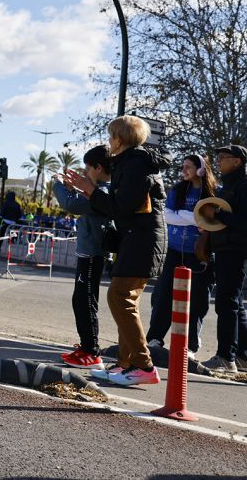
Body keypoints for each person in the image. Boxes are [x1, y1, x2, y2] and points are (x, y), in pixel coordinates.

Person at [65, 115, 169, 387]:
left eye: (112, 136)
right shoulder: (132, 162)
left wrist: (90, 191)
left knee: (119, 296)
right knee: (126, 299)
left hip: (142, 240)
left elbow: (121, 206)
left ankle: (143, 365)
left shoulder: (135, 164)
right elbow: (121, 205)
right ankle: (126, 363)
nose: (109, 141)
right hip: (136, 239)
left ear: (121, 138)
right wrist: (88, 191)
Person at [146, 154, 217, 361]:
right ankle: (155, 338)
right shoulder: (177, 190)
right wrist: (195, 218)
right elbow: (167, 216)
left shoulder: (211, 193)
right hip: (174, 251)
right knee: (163, 294)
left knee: (197, 299)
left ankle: (191, 345)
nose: (184, 170)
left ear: (201, 169)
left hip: (199, 253)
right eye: (183, 166)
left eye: (189, 167)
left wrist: (183, 217)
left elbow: (213, 221)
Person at [53, 145, 112, 368]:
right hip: (88, 252)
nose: (85, 172)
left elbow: (71, 204)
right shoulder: (98, 190)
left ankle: (92, 351)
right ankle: (87, 346)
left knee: (85, 301)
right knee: (80, 300)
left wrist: (57, 184)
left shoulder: (103, 192)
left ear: (98, 167)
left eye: (87, 167)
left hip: (93, 254)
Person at [198, 144, 247, 375]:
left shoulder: (244, 186)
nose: (219, 162)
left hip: (236, 250)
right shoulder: (228, 185)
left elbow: (242, 221)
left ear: (237, 161)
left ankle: (226, 358)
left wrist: (216, 214)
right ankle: (242, 356)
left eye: (223, 157)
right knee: (233, 305)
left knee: (227, 304)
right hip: (226, 248)